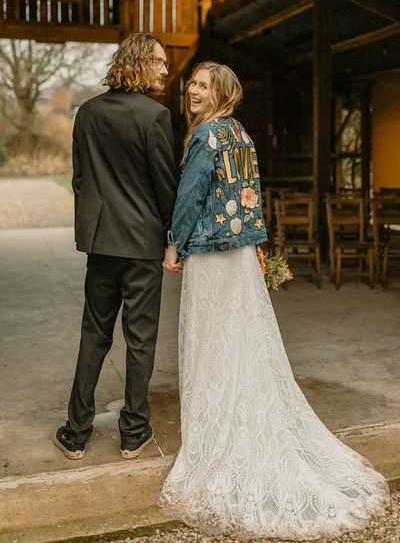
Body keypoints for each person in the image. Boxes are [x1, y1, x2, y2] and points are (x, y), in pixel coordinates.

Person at [159, 61, 390, 540]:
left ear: (221, 93)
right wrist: (258, 245)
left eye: (203, 86)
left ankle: (217, 435)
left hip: (211, 253)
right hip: (241, 254)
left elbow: (191, 195)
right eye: (192, 85)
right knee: (242, 342)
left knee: (209, 343)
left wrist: (174, 242)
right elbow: (252, 196)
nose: (193, 92)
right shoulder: (242, 134)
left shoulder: (207, 136)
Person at [54, 33, 178, 461]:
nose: (166, 69)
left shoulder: (86, 113)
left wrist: (94, 225)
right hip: (142, 244)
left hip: (101, 243)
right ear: (142, 63)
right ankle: (133, 432)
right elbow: (166, 186)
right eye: (161, 62)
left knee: (94, 335)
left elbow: (80, 180)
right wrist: (172, 237)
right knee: (140, 339)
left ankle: (75, 432)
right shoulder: (155, 116)